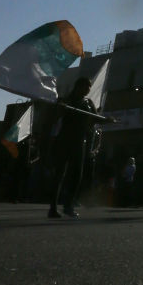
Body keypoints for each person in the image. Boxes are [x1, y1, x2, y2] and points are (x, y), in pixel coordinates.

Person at [47, 76, 97, 219]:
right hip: (65, 139)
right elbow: (55, 116)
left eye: (89, 87)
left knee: (77, 175)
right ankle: (53, 207)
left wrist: (108, 120)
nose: (88, 90)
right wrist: (61, 107)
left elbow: (95, 117)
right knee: (60, 174)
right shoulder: (66, 100)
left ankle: (68, 206)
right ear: (78, 86)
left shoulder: (88, 102)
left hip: (79, 141)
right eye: (86, 86)